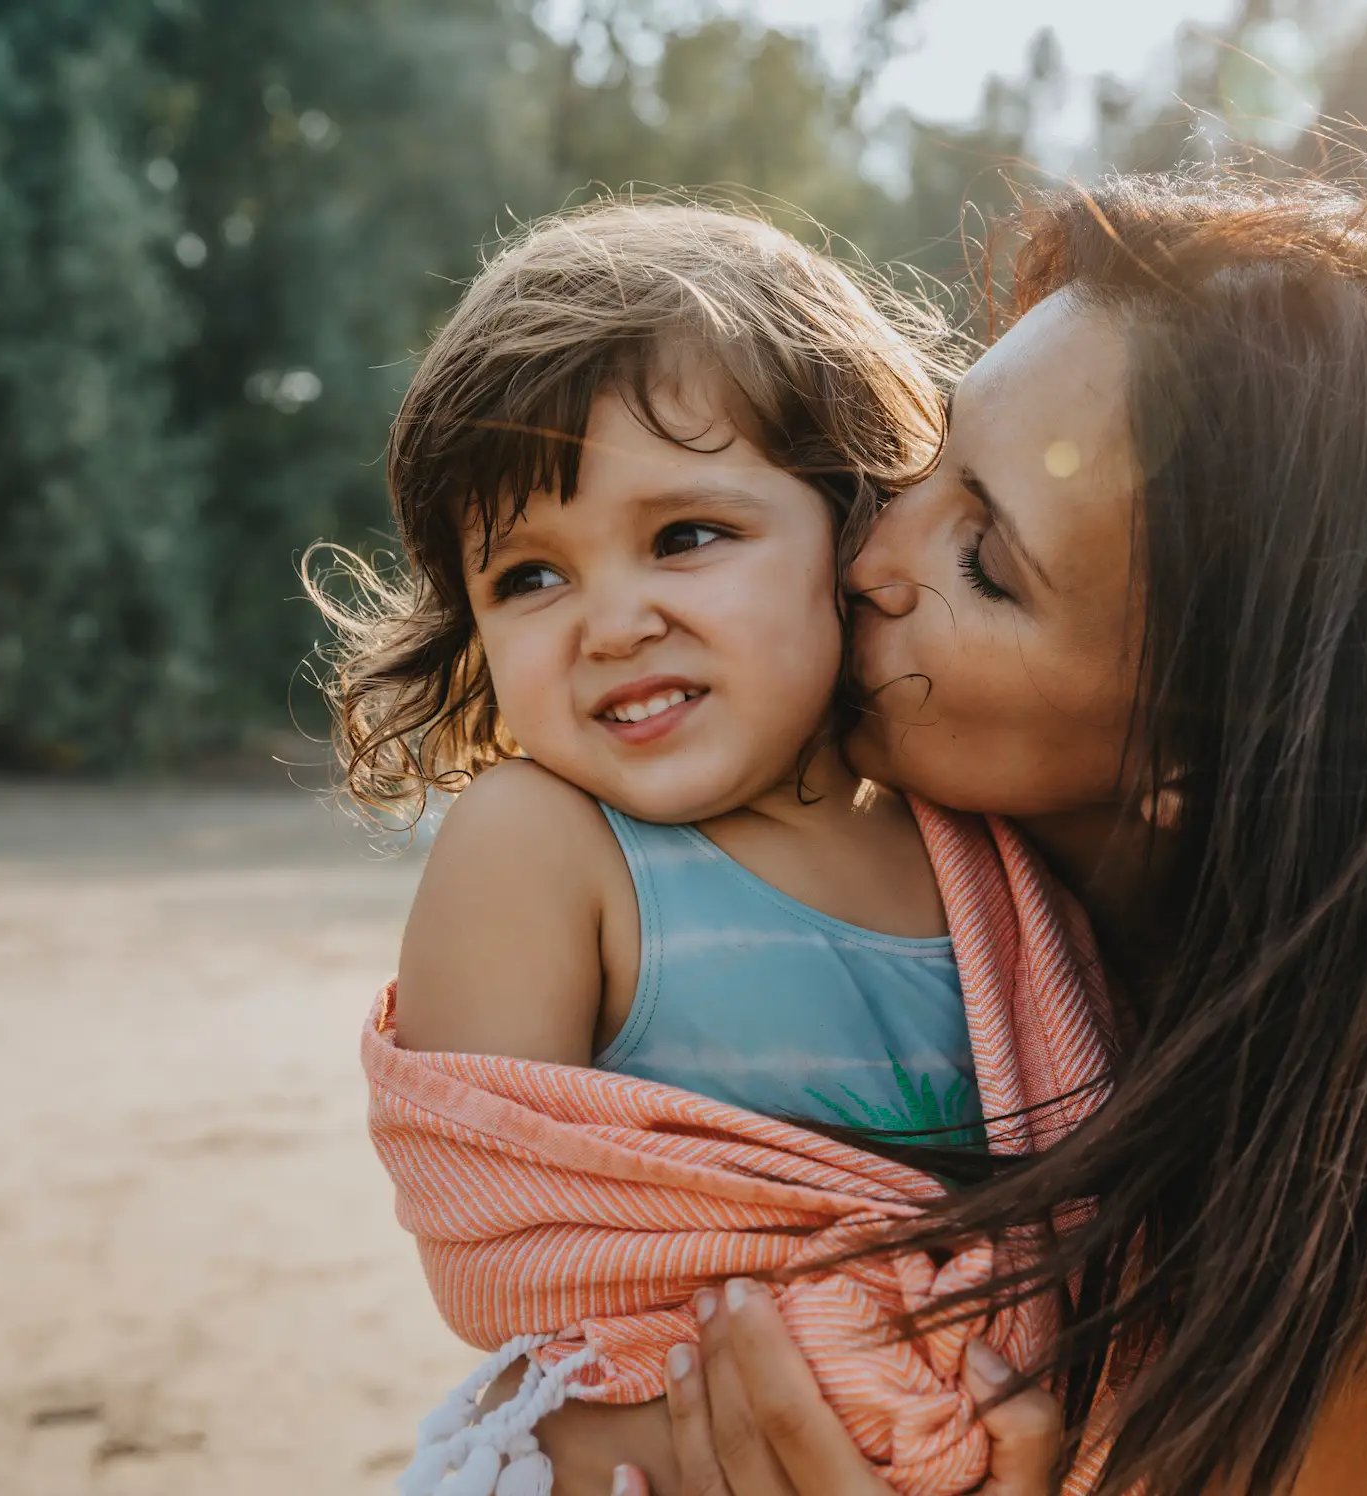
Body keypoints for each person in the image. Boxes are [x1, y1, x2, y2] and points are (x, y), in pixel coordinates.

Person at [590, 169, 1367, 1495]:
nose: (862, 555)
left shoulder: (1347, 1260)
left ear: (1201, 755)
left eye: (984, 561)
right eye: (933, 455)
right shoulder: (754, 860)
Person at [314, 199, 1106, 1493]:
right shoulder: (548, 846)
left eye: (685, 536)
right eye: (527, 575)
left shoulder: (984, 854)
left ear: (855, 529)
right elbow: (508, 1231)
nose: (612, 622)